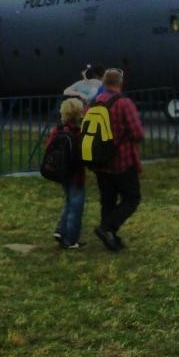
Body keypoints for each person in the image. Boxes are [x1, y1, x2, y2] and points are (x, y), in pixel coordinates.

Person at [91, 68, 145, 252]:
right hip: (121, 160)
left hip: (99, 160)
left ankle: (109, 237)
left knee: (107, 200)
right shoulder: (124, 104)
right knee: (132, 197)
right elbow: (137, 133)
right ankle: (107, 228)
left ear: (103, 83)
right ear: (120, 83)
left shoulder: (94, 103)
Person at [48, 98, 86, 249]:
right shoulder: (78, 132)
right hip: (76, 173)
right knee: (76, 205)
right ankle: (71, 238)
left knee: (69, 200)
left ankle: (61, 229)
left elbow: (48, 146)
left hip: (61, 171)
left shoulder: (57, 130)